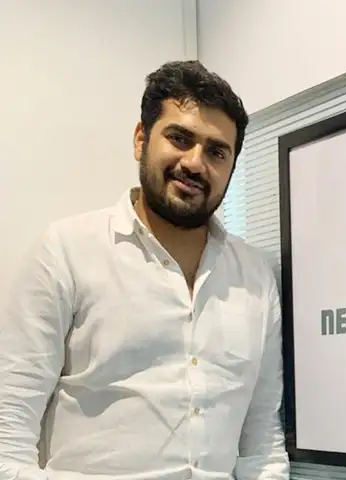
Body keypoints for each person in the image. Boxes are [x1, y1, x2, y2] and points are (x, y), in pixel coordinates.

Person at [0, 60, 290, 480]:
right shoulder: (66, 251)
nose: (195, 163)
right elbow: (7, 436)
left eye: (216, 151)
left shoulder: (255, 276)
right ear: (141, 139)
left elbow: (262, 442)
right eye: (179, 138)